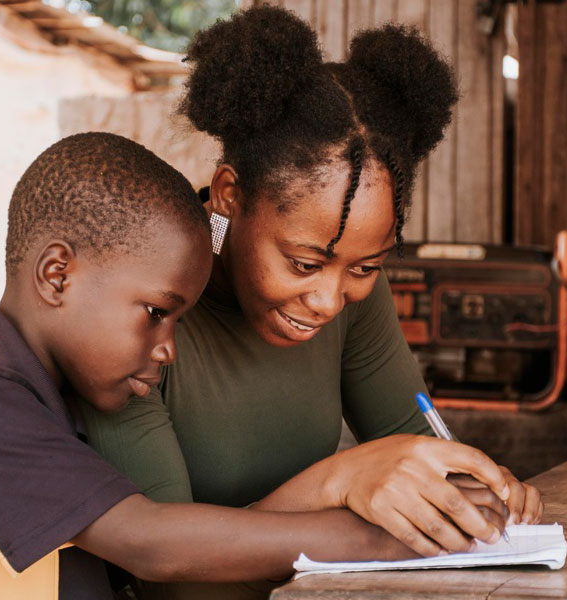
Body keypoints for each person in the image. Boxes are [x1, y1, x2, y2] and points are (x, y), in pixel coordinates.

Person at [78, 7, 543, 599]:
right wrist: (339, 481)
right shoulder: (141, 315)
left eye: (366, 267)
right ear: (229, 196)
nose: (329, 300)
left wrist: (466, 490)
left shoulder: (348, 292)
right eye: (303, 263)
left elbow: (414, 442)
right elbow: (173, 580)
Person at [0, 132, 504, 600]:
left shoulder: (45, 396)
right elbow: (153, 545)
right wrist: (378, 518)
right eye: (156, 313)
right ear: (56, 276)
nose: (168, 349)